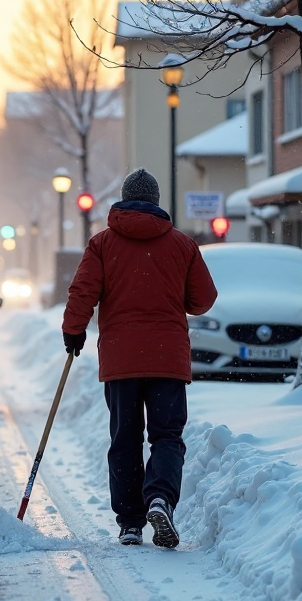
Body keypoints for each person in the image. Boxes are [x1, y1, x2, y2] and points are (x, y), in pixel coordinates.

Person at [62, 168, 218, 548]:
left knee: (125, 438)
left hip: (121, 359)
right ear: (157, 202)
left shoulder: (102, 243)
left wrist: (73, 329)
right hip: (167, 358)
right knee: (166, 436)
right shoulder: (182, 244)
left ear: (124, 199)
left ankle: (130, 522)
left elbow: (84, 290)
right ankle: (161, 497)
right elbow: (203, 300)